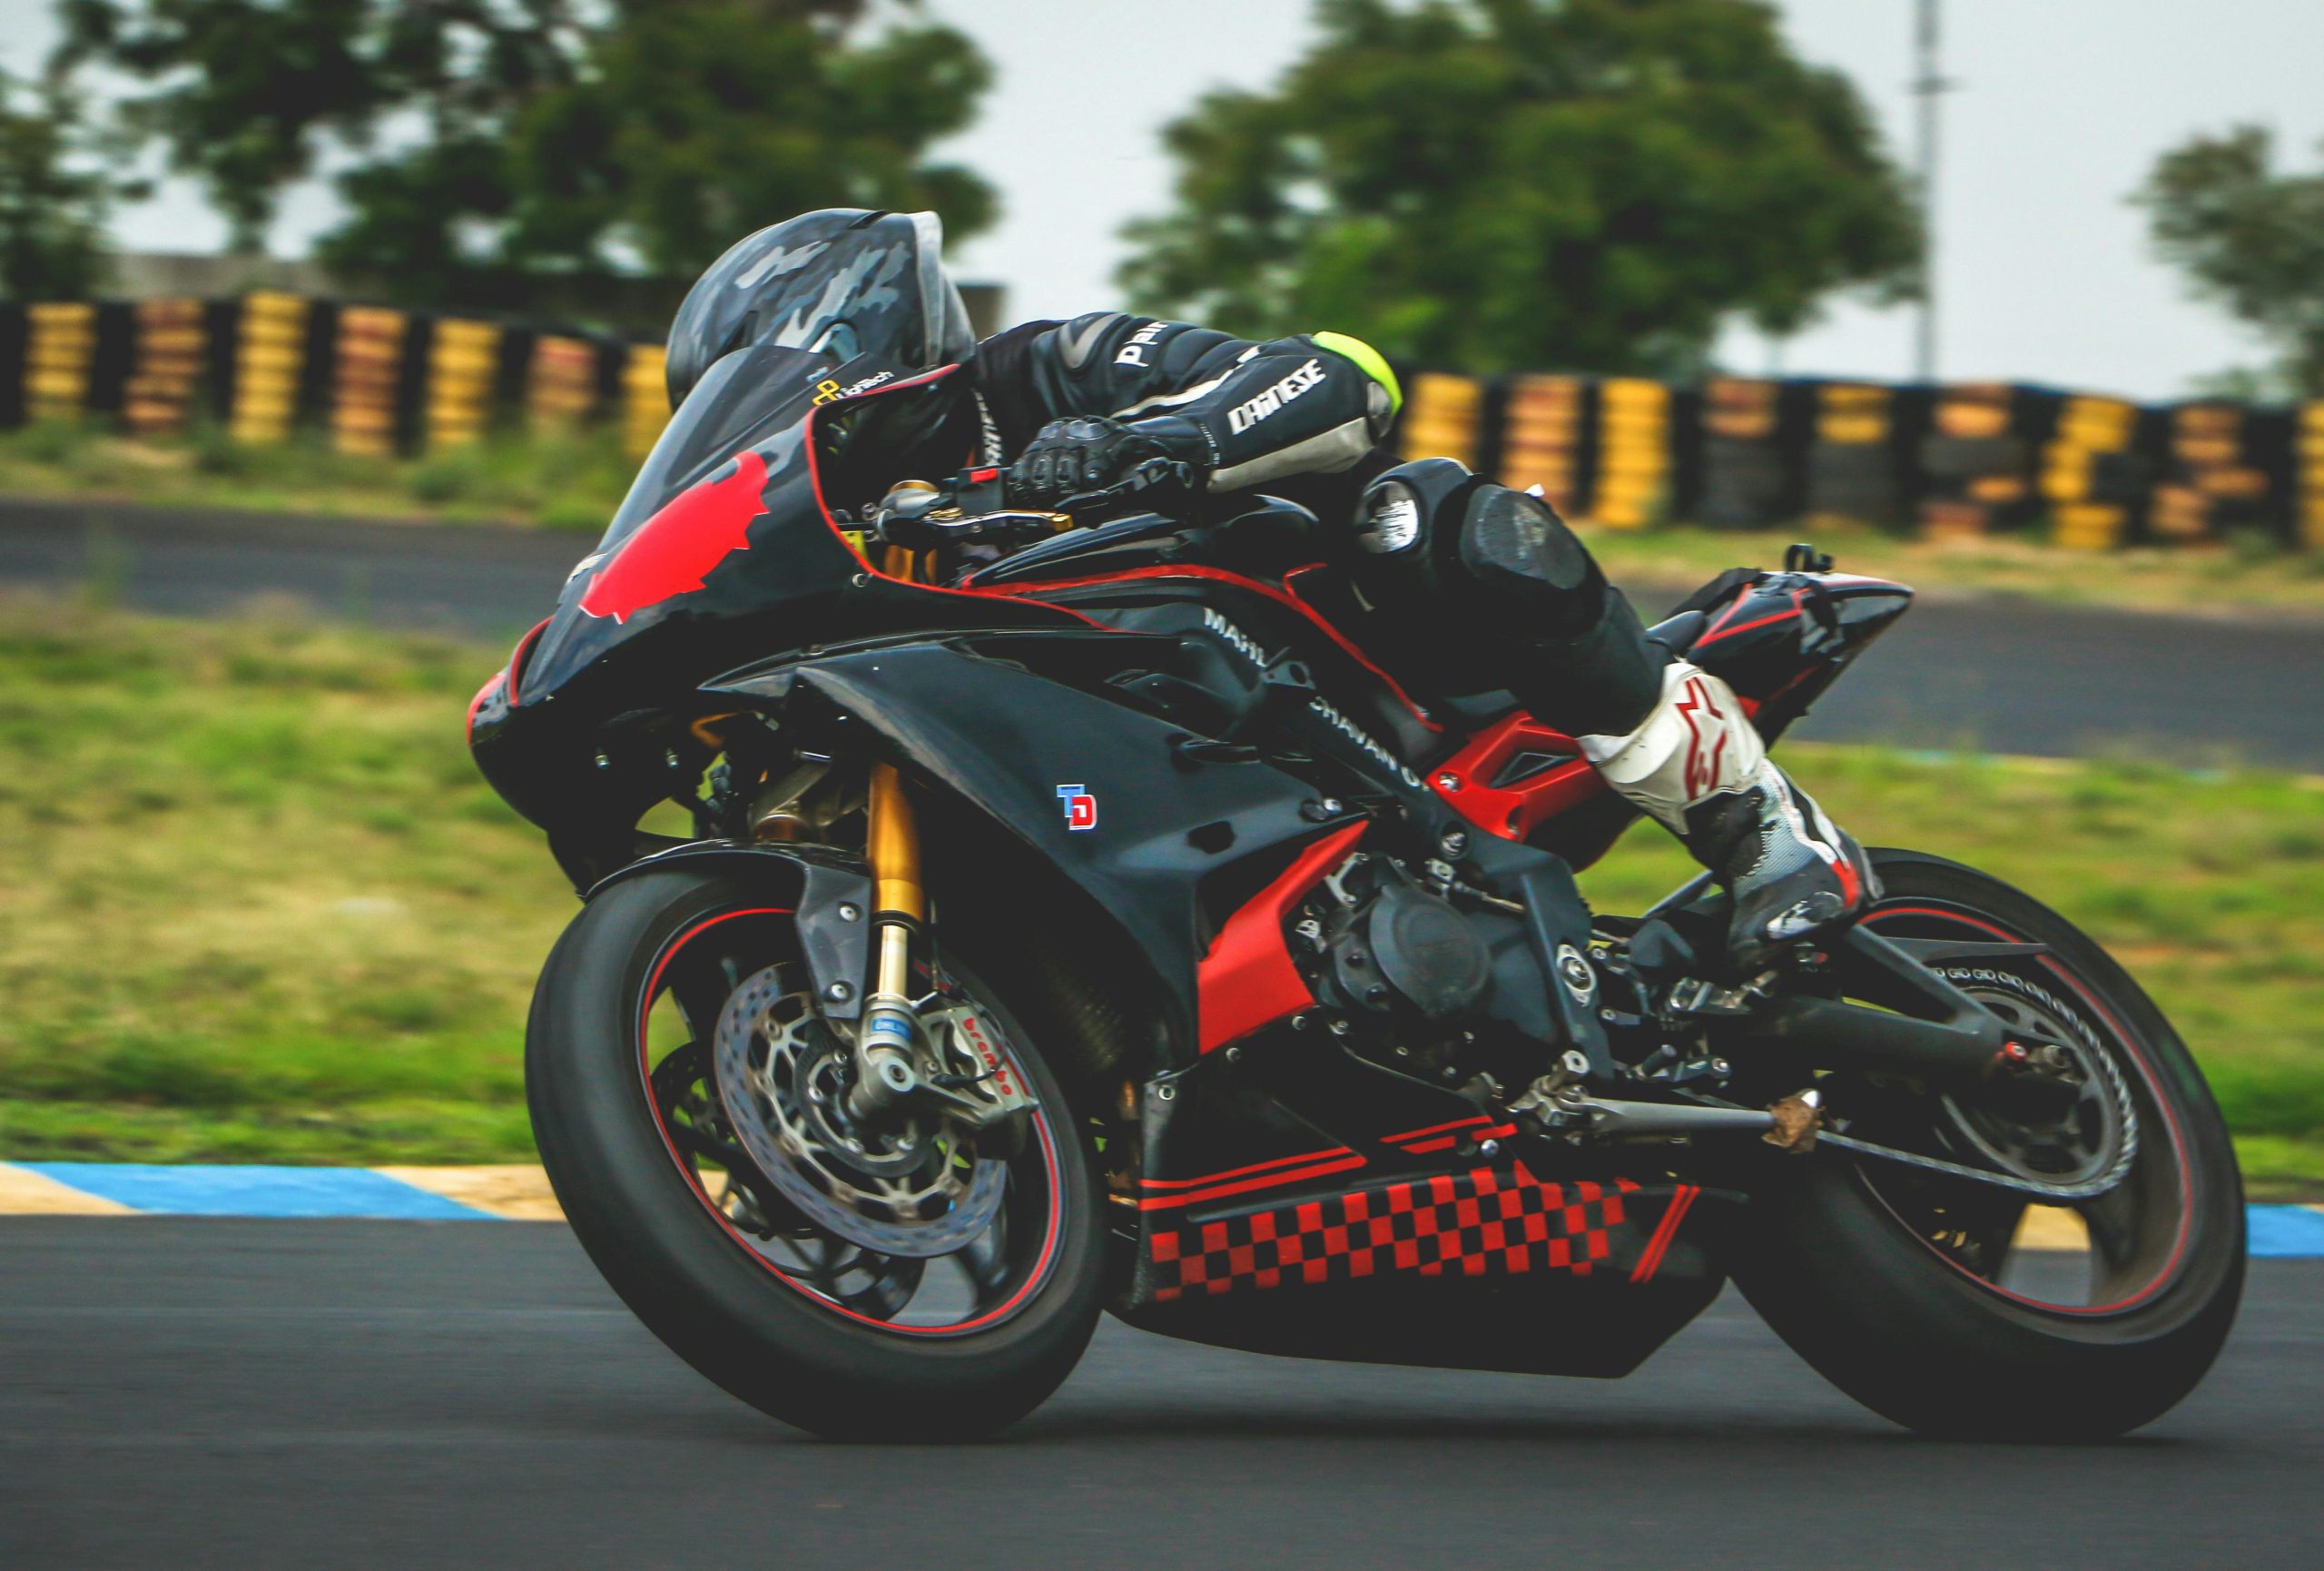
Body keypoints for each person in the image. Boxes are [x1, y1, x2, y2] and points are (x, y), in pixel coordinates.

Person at [665, 208, 1874, 969]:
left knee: (1433, 514)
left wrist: (1165, 438)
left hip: (1336, 656)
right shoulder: (860, 549)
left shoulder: (1037, 370)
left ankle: (1771, 845)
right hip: (1131, 773)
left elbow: (1334, 376)